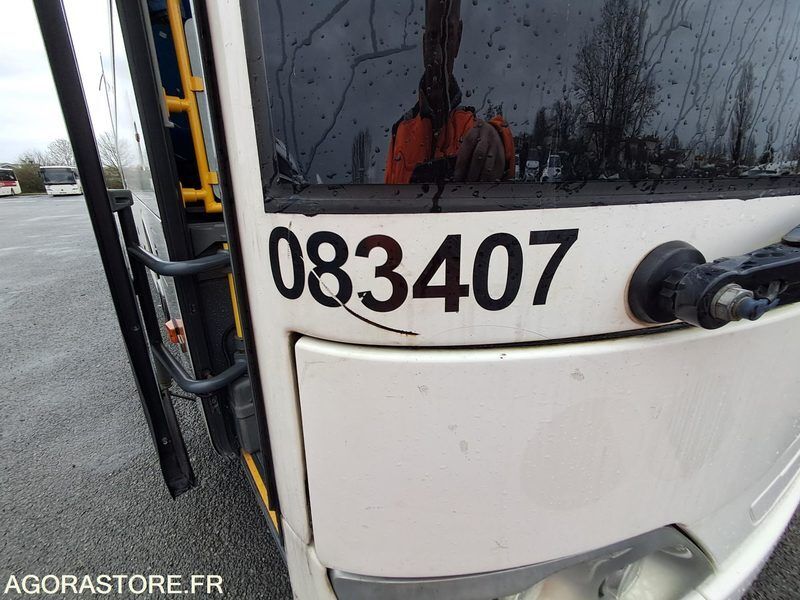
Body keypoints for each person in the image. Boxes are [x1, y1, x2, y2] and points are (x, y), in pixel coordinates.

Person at [385, 0, 515, 184]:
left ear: (458, 40)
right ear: (424, 45)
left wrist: (499, 138)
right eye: (433, 37)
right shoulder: (400, 132)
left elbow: (498, 149)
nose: (438, 54)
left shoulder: (473, 131)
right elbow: (386, 198)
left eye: (448, 36)